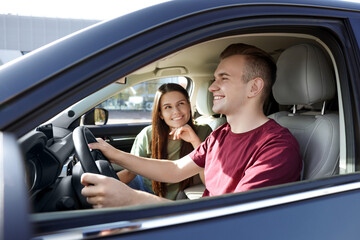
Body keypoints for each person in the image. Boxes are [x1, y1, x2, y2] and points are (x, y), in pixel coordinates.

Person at [81, 43, 302, 208]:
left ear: (254, 88)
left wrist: (132, 199)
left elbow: (234, 220)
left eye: (223, 78)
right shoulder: (220, 135)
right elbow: (175, 169)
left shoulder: (277, 147)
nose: (212, 87)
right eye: (214, 79)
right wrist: (114, 154)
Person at [117, 83, 212, 200]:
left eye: (181, 104)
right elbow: (130, 172)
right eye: (168, 107)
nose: (176, 111)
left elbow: (210, 179)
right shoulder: (148, 134)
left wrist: (195, 141)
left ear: (188, 105)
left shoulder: (204, 131)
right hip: (145, 188)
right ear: (161, 114)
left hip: (177, 195)